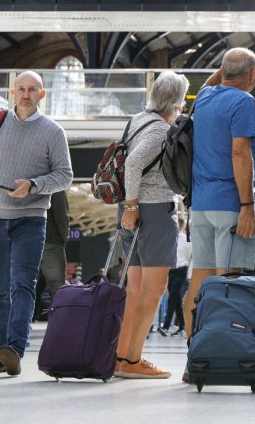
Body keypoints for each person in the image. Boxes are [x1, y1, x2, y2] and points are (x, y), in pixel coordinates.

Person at [0, 71, 72, 377]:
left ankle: (15, 348)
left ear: (42, 95)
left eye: (32, 90)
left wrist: (34, 185)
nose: (26, 94)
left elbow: (64, 175)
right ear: (13, 92)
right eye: (21, 89)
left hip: (31, 219)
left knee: (23, 285)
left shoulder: (53, 132)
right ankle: (2, 351)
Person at [113, 70, 189, 379]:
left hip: (132, 211)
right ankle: (133, 360)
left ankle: (121, 357)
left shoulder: (137, 120)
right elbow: (132, 164)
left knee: (136, 291)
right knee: (155, 289)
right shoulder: (159, 130)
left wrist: (129, 207)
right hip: (153, 211)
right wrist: (133, 205)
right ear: (175, 101)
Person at [182, 48, 255, 341]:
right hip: (230, 204)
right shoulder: (243, 101)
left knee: (200, 279)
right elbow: (240, 153)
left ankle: (195, 351)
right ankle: (222, 349)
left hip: (200, 205)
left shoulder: (204, 98)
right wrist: (247, 206)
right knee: (231, 280)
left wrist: (227, 65)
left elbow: (211, 80)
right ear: (252, 74)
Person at [35, 191, 70, 320]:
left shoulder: (24, 176)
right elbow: (61, 215)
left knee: (24, 285)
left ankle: (17, 333)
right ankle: (60, 325)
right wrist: (63, 238)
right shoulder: (56, 184)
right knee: (58, 288)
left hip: (25, 242)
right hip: (50, 241)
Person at [164, 215, 191, 336]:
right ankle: (182, 325)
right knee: (175, 299)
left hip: (181, 269)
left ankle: (166, 326)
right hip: (170, 270)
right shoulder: (168, 238)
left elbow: (189, 255)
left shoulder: (185, 239)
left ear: (181, 225)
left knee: (172, 298)